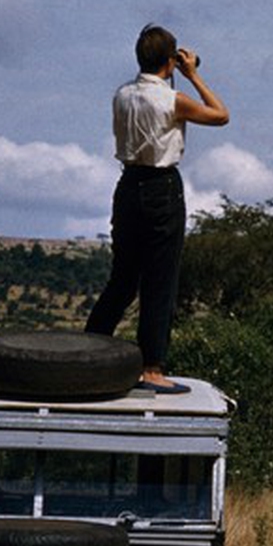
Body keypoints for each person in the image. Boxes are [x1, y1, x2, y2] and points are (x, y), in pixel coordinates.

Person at [85, 24, 228, 394]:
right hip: (162, 187)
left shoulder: (122, 95)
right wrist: (193, 74)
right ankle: (152, 367)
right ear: (170, 61)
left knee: (124, 278)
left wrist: (171, 74)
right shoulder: (172, 99)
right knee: (160, 279)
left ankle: (89, 346)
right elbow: (220, 114)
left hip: (127, 186)